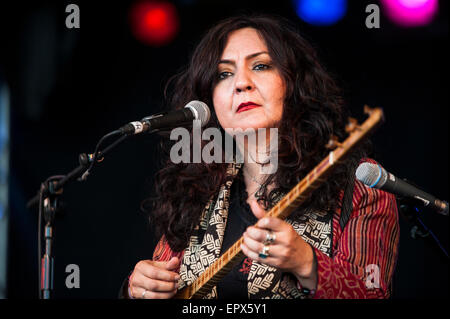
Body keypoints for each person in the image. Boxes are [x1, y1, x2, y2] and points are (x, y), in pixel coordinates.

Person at [121, 14, 399, 299]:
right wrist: (136, 290)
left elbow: (372, 292)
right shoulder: (196, 191)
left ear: (294, 83)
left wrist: (307, 264)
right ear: (209, 101)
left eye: (261, 66)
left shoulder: (359, 182)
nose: (241, 83)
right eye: (223, 74)